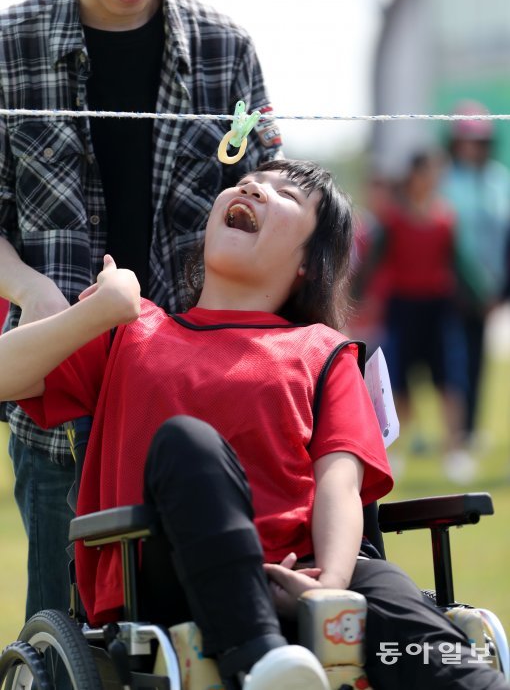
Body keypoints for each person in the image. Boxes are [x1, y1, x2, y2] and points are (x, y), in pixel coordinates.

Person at [0, 158, 507, 690]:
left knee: (388, 592)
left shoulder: (323, 351)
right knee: (187, 441)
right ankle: (265, 661)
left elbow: (340, 478)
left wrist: (330, 586)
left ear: (310, 261)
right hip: (166, 573)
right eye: (248, 183)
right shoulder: (134, 331)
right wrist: (103, 309)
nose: (252, 188)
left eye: (284, 195)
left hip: (303, 567)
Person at [0, 0, 281, 620]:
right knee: (66, 625)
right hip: (60, 399)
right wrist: (30, 288)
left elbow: (281, 212)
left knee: (200, 619)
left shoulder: (226, 50)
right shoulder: (10, 47)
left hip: (203, 402)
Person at [355, 152, 471, 482]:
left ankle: (454, 450)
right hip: (403, 306)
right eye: (429, 172)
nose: (433, 178)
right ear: (415, 175)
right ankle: (398, 450)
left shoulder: (446, 217)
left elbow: (459, 265)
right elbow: (372, 264)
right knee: (401, 381)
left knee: (450, 379)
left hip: (439, 306)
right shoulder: (393, 220)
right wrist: (355, 299)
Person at [441, 100, 510, 451]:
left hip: (491, 289)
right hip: (453, 288)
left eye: (480, 140)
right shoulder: (443, 179)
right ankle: (453, 433)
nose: (473, 146)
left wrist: (501, 289)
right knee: (455, 360)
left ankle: (471, 429)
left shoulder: (501, 180)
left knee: (480, 360)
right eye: (467, 140)